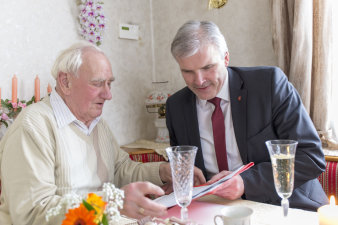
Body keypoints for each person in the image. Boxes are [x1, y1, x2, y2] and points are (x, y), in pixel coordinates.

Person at [0, 41, 205, 225]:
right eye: (97, 83)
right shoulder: (33, 127)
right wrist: (111, 203)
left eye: (109, 83)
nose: (108, 95)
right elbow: (31, 215)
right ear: (65, 82)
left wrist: (161, 171)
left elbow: (121, 170)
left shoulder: (98, 125)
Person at [166, 20, 328, 211]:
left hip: (286, 206)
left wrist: (245, 183)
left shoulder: (269, 84)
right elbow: (182, 166)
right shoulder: (176, 106)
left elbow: (310, 157)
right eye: (188, 71)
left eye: (207, 67)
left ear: (226, 58)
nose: (199, 80)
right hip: (213, 210)